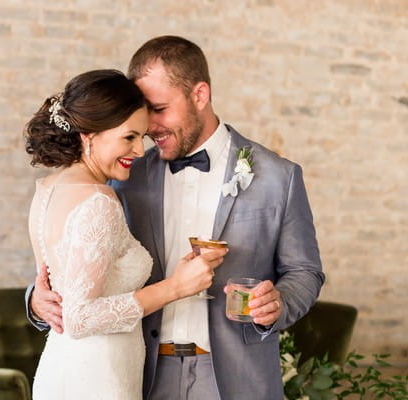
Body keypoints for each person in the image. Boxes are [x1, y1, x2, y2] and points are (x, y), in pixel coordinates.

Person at [28, 37, 325, 399]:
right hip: (144, 376)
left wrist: (277, 302)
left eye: (159, 108)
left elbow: (305, 271)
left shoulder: (279, 176)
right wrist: (36, 299)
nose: (150, 127)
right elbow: (78, 264)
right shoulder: (124, 175)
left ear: (200, 95)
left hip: (235, 378)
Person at [23, 69, 227, 400]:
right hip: (98, 376)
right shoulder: (99, 200)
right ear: (89, 135)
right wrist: (176, 286)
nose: (138, 151)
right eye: (128, 137)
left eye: (142, 138)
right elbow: (80, 317)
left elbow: (64, 290)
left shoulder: (48, 189)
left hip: (62, 367)